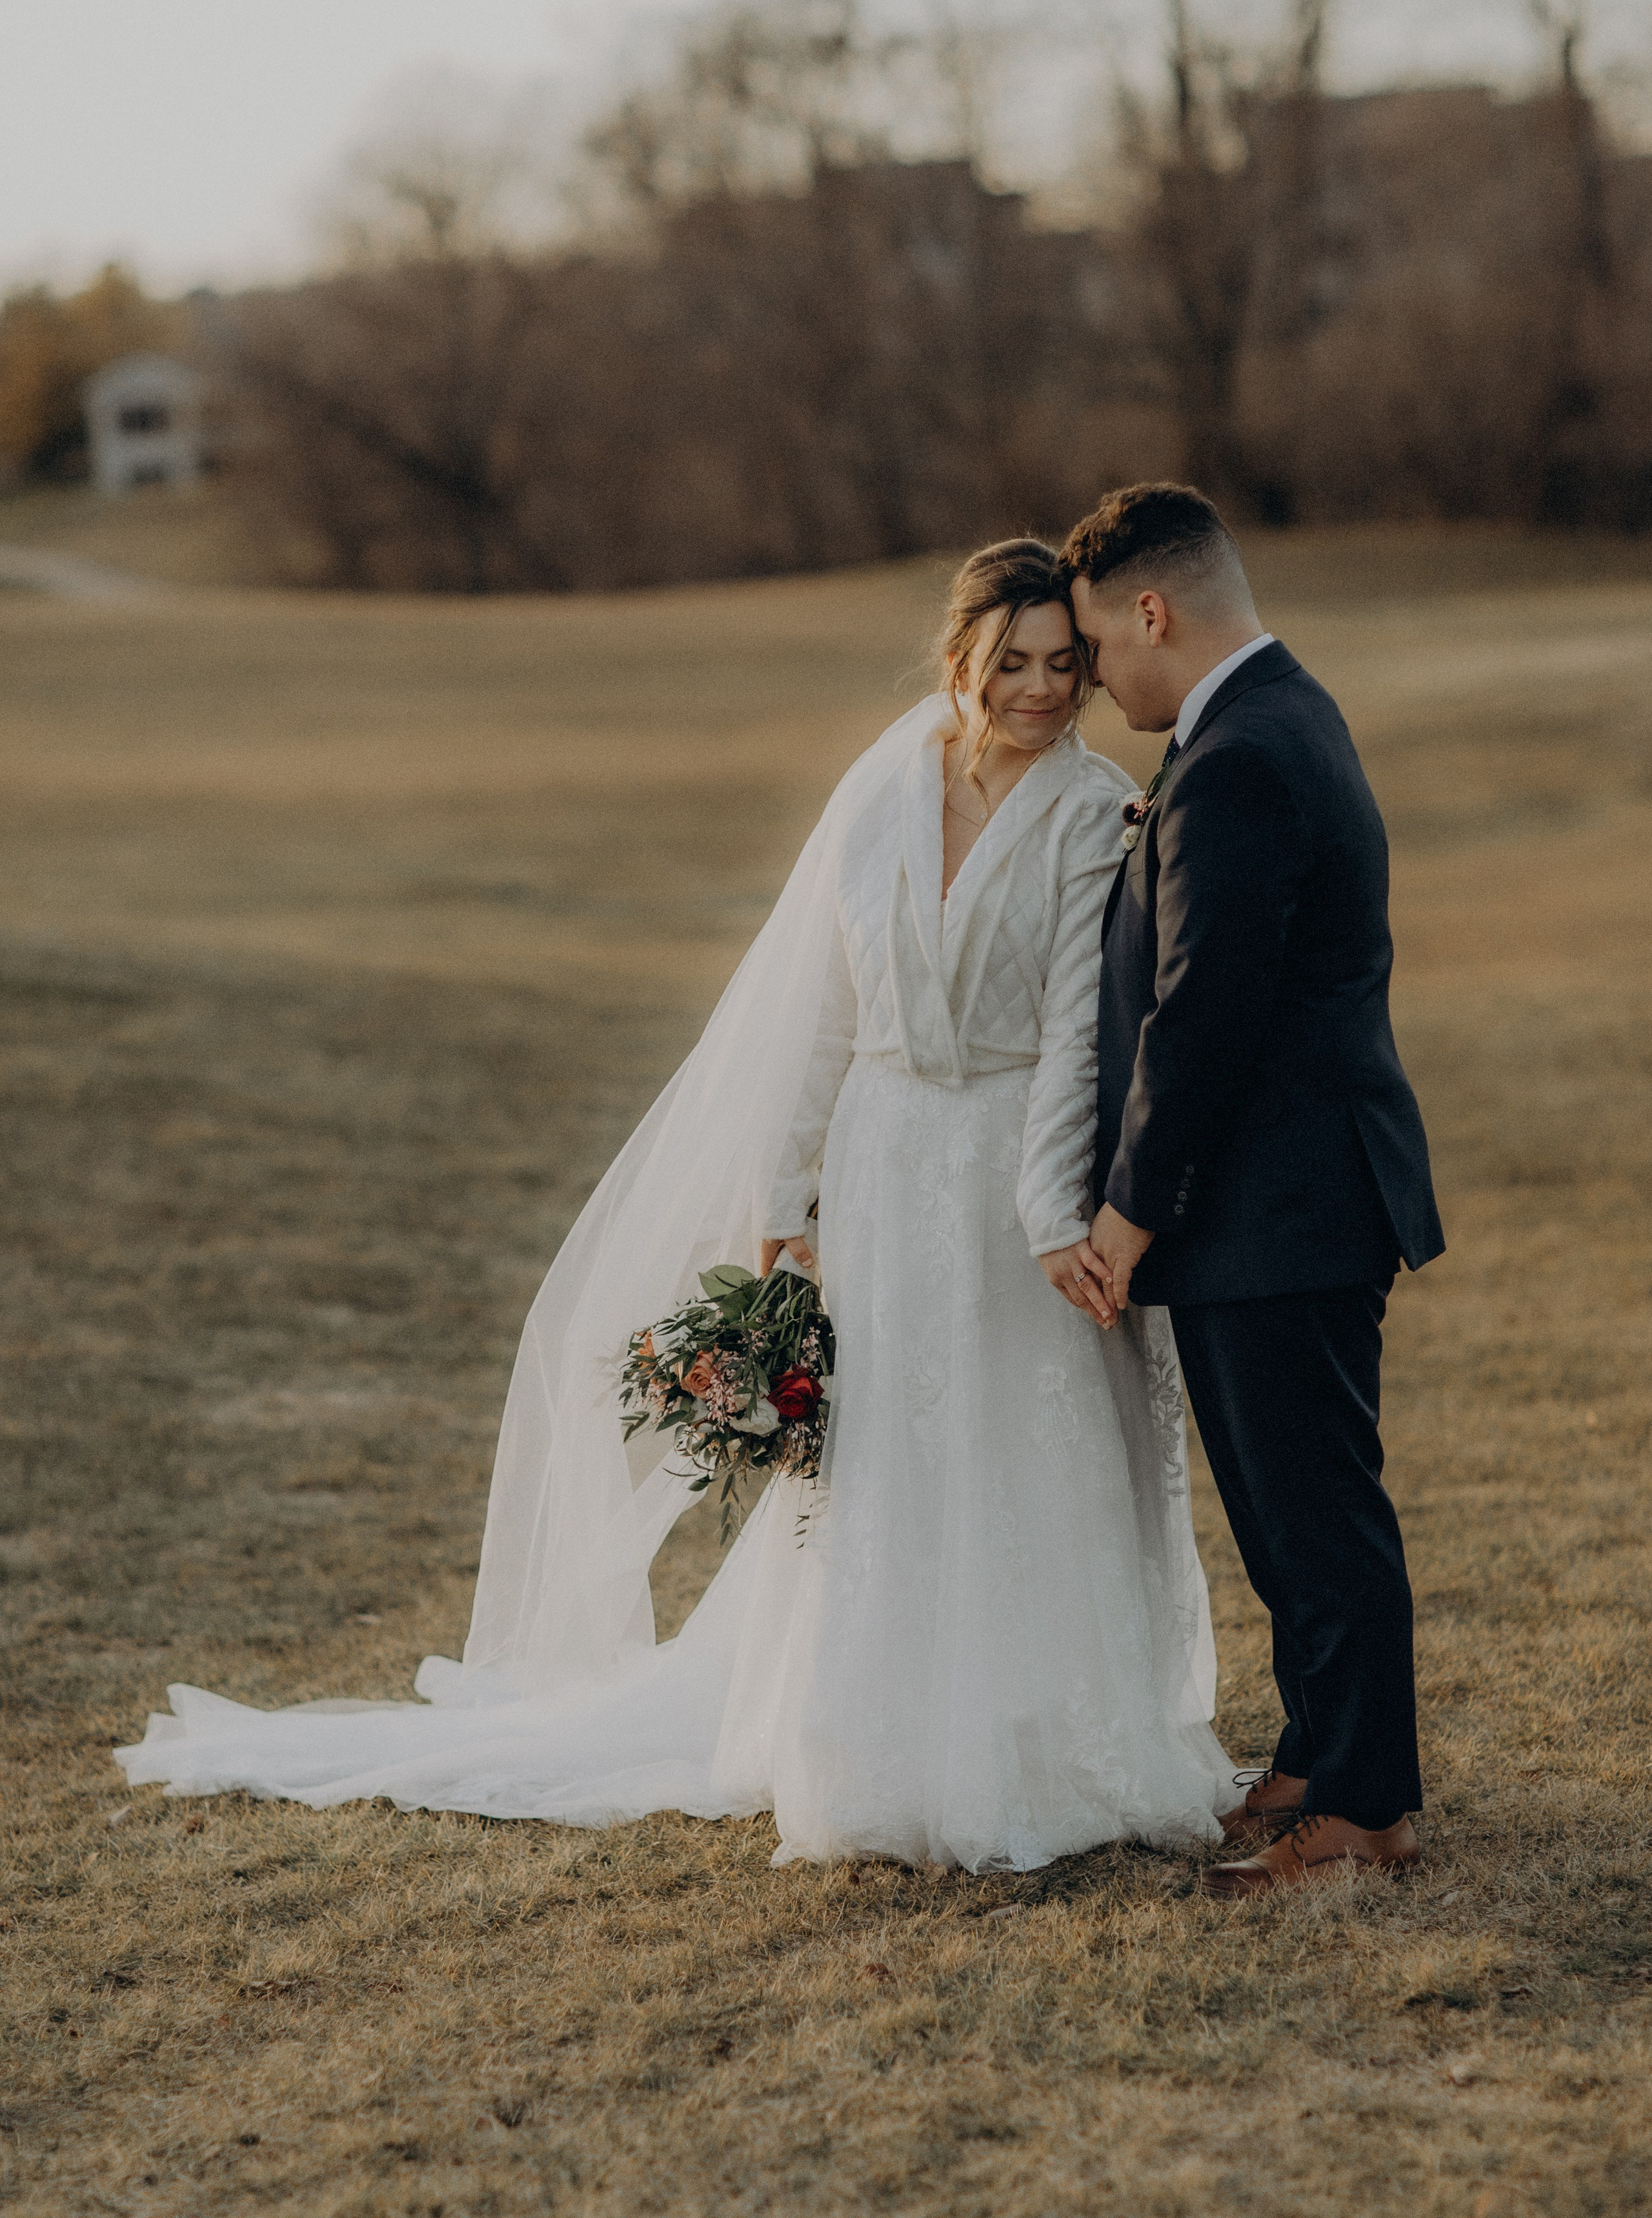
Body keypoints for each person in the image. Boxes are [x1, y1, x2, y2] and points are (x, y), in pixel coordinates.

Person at [117, 541, 1234, 1873]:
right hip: (881, 1166)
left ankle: (1045, 1740)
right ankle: (874, 1745)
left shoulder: (1093, 811)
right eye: (1012, 662)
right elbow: (826, 1011)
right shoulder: (884, 790)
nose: (1040, 690)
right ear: (959, 661)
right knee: (888, 1462)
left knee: (1019, 1443)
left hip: (1009, 1165)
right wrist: (784, 1194)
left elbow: (1073, 1036)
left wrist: (1051, 1211)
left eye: (1062, 664)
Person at [1064, 483, 1444, 1896]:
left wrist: (1125, 1212)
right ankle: (1314, 1754)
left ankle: (1362, 1812)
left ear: (1153, 610)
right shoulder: (1276, 714)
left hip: (1282, 1205)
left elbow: (1203, 1018)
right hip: (1278, 1202)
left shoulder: (1235, 759)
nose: (1095, 677)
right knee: (1284, 1512)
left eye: (1099, 644)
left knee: (1315, 1514)